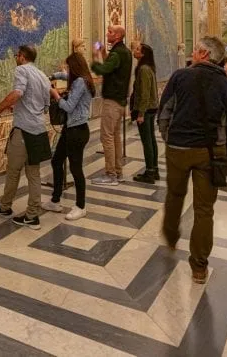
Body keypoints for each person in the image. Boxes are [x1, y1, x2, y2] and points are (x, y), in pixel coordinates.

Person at [158, 36, 227, 284]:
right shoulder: (225, 85)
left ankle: (171, 236)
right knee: (205, 210)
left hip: (178, 149)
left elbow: (164, 113)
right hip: (210, 152)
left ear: (204, 54)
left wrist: (169, 137)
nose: (192, 53)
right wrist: (226, 154)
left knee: (175, 195)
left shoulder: (180, 76)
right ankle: (199, 266)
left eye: (195, 50)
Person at [0, 45, 52, 229]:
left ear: (22, 57)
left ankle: (5, 207)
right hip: (39, 129)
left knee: (13, 171)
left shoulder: (21, 70)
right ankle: (32, 215)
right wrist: (25, 108)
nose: (16, 58)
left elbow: (17, 93)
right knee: (34, 174)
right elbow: (45, 105)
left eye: (17, 55)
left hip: (24, 130)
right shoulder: (43, 75)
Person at [42, 52, 94, 220]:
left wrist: (56, 95)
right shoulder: (83, 78)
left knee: (76, 168)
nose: (68, 70)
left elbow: (69, 106)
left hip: (77, 130)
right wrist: (52, 75)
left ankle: (81, 206)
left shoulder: (80, 82)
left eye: (69, 67)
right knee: (56, 161)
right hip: (71, 129)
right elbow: (64, 75)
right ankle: (55, 200)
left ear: (75, 67)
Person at [91, 25, 133, 184]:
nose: (107, 34)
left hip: (112, 102)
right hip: (120, 101)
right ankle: (118, 171)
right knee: (115, 137)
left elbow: (103, 69)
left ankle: (110, 174)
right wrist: (103, 52)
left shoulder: (117, 53)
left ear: (117, 36)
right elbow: (114, 66)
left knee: (106, 136)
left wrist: (95, 57)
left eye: (110, 32)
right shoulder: (124, 51)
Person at [130, 43, 160, 182]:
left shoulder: (143, 69)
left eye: (137, 49)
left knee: (147, 141)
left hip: (146, 109)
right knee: (151, 140)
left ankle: (149, 172)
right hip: (151, 108)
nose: (134, 51)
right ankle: (154, 169)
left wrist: (140, 113)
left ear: (142, 54)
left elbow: (145, 93)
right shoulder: (148, 68)